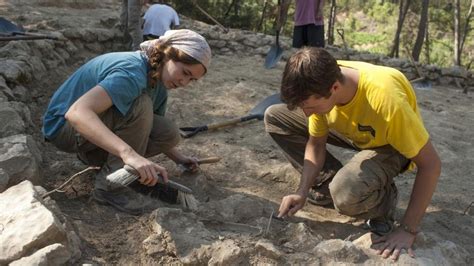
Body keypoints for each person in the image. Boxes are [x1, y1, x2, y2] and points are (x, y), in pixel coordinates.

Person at [264, 47, 441, 261]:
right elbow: (316, 144)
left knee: (345, 194)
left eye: (310, 106)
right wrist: (302, 190)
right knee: (275, 116)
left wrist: (408, 229)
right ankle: (337, 186)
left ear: (335, 87)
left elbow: (431, 165)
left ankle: (382, 201)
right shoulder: (321, 80)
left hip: (391, 143)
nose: (307, 113)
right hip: (357, 131)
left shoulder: (386, 101)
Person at [42, 29, 211, 215]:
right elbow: (76, 113)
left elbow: (146, 129)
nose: (184, 82)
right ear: (167, 55)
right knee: (141, 104)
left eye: (191, 79)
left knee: (168, 133)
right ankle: (111, 188)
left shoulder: (158, 82)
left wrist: (179, 159)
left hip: (89, 128)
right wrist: (129, 154)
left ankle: (100, 158)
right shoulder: (131, 72)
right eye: (184, 72)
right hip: (63, 129)